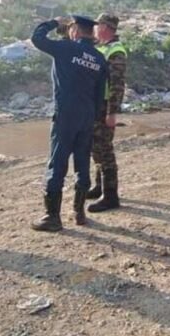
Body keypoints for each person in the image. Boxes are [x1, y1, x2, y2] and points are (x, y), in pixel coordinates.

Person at [30, 15, 108, 232]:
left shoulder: (65, 48)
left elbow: (37, 38)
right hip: (87, 116)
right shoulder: (99, 58)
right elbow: (100, 95)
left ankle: (52, 217)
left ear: (75, 30)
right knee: (82, 164)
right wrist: (94, 118)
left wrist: (54, 22)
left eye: (70, 27)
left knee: (57, 163)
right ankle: (79, 212)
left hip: (66, 115)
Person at [87, 13, 128, 212]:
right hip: (95, 104)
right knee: (95, 147)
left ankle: (110, 195)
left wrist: (112, 112)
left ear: (104, 27)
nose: (95, 28)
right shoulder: (100, 46)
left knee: (105, 149)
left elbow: (117, 85)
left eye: (98, 25)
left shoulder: (115, 51)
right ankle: (99, 186)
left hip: (105, 106)